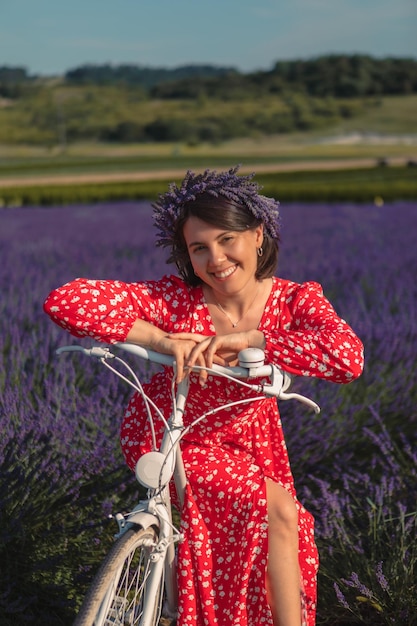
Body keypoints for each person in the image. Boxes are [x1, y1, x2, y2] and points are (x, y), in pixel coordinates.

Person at [44, 166, 364, 626]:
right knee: (276, 510)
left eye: (227, 239)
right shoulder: (177, 301)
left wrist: (256, 340)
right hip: (170, 433)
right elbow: (66, 300)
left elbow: (347, 358)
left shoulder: (294, 301)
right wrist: (161, 340)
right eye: (199, 247)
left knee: (281, 525)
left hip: (250, 439)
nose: (215, 259)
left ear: (258, 235)